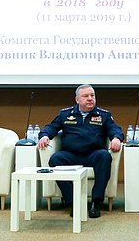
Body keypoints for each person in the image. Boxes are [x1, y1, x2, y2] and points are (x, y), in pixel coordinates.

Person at [37, 84, 124, 218]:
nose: (90, 99)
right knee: (55, 159)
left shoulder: (104, 115)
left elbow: (115, 130)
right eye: (85, 96)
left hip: (93, 154)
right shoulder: (65, 114)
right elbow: (51, 127)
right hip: (71, 154)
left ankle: (96, 202)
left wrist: (117, 138)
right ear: (77, 99)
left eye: (92, 96)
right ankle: (73, 202)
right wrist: (44, 136)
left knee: (104, 156)